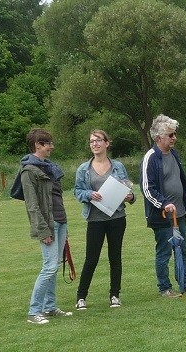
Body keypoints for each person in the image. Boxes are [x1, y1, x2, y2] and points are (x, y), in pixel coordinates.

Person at [139, 114, 186, 298]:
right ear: (159, 138)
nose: (175, 138)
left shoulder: (174, 154)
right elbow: (147, 188)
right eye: (171, 135)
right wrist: (164, 204)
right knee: (164, 252)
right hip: (162, 216)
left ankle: (185, 282)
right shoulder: (150, 158)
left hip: (180, 212)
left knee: (182, 249)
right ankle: (164, 288)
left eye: (174, 134)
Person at [74, 130, 135, 310]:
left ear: (107, 143)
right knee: (91, 258)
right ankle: (81, 297)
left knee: (115, 257)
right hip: (95, 219)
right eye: (92, 141)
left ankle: (115, 295)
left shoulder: (118, 166)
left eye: (98, 140)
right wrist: (88, 194)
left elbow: (128, 189)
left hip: (117, 217)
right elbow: (77, 191)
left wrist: (130, 197)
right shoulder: (83, 169)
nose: (94, 144)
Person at [19, 128, 72, 324]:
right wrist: (43, 230)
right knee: (49, 267)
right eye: (48, 143)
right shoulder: (28, 171)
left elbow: (57, 198)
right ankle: (34, 312)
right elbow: (32, 205)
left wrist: (64, 225)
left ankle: (49, 307)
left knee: (55, 266)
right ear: (37, 145)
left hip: (60, 221)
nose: (52, 147)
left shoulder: (50, 167)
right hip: (47, 225)